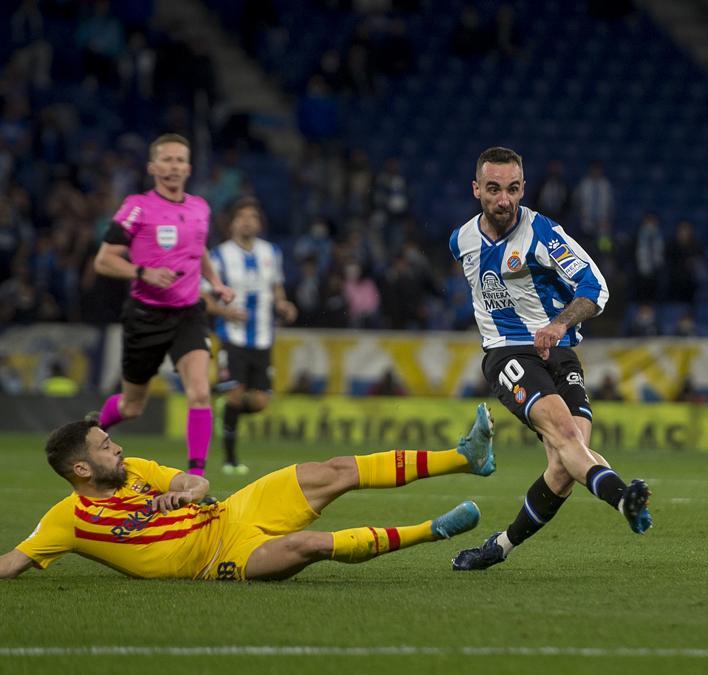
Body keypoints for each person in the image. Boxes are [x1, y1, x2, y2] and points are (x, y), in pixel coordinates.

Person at [0, 406, 495, 581]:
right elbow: (12, 563)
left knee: (335, 469)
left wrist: (187, 495)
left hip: (234, 510)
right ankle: (430, 531)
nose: (119, 447)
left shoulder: (136, 471)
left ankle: (464, 458)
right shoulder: (66, 520)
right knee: (311, 546)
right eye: (107, 446)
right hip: (220, 559)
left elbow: (199, 482)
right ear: (81, 468)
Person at [448, 147, 652, 571]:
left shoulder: (543, 234)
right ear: (476, 190)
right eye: (493, 189)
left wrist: (559, 324)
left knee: (564, 466)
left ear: (523, 188)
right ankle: (622, 499)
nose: (504, 200)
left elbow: (595, 287)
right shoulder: (461, 240)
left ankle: (498, 547)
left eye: (513, 189)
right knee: (567, 437)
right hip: (508, 354)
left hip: (558, 350)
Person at [92, 134, 236, 477]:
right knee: (132, 405)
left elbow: (198, 248)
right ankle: (93, 428)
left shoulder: (200, 206)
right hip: (146, 315)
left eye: (180, 160)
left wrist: (215, 283)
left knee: (201, 392)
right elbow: (104, 260)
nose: (174, 167)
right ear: (153, 167)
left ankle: (196, 479)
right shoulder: (137, 206)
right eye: (167, 160)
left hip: (188, 312)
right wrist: (143, 272)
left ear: (188, 167)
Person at [205, 197, 298, 475]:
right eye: (242, 216)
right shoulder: (218, 256)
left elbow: (276, 289)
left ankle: (226, 415)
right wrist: (225, 312)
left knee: (259, 402)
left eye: (253, 216)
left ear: (259, 223)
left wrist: (283, 305)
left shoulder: (271, 253)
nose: (248, 221)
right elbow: (204, 297)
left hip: (262, 338)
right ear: (232, 223)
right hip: (232, 337)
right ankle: (231, 460)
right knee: (235, 395)